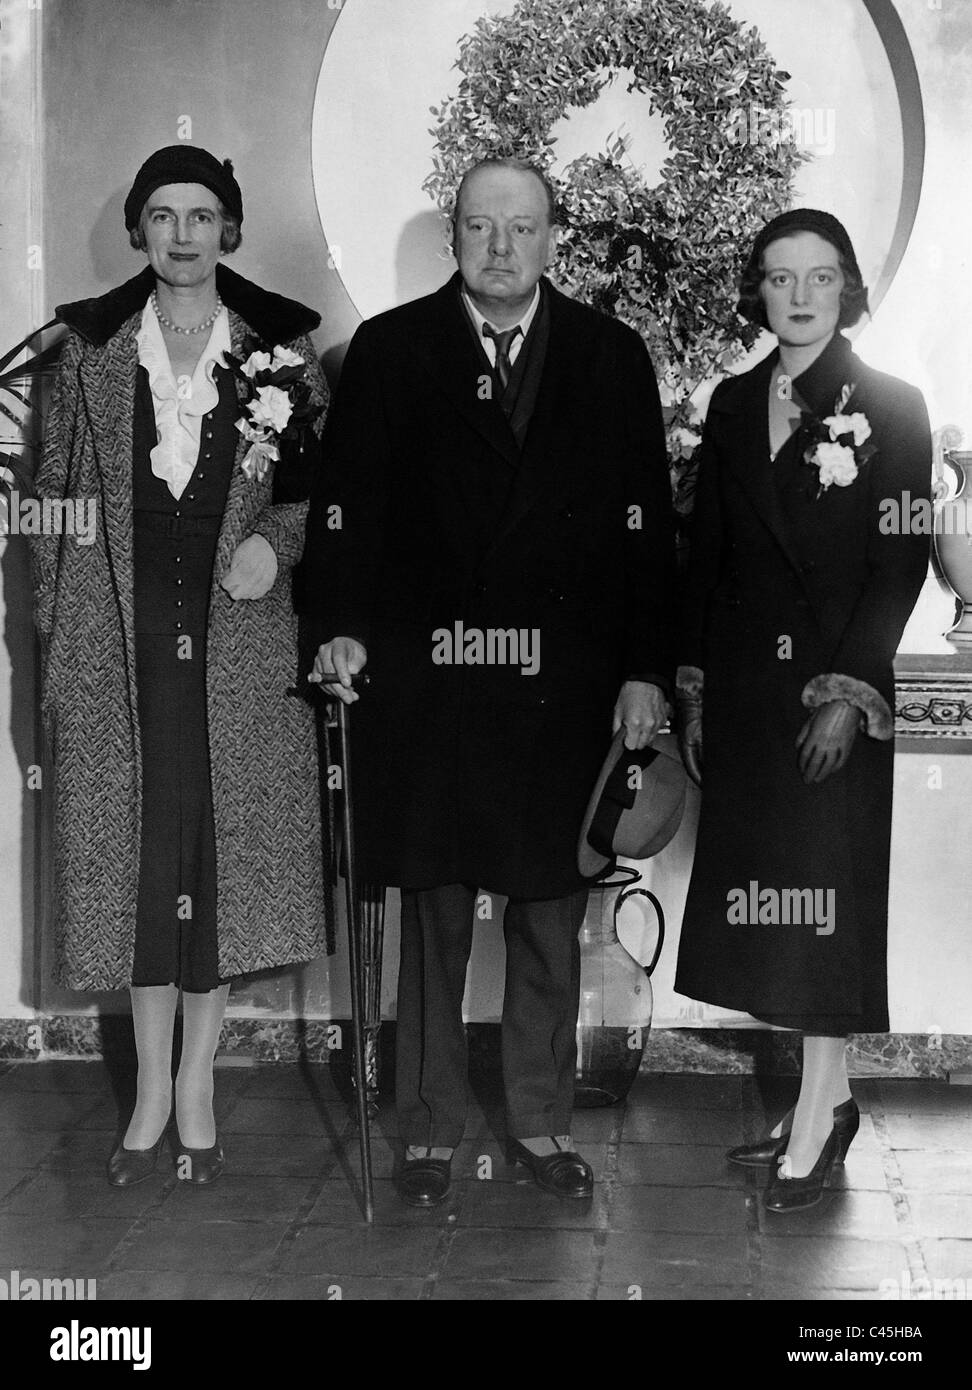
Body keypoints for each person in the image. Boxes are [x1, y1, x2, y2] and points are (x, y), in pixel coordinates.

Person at [302, 158, 676, 1207]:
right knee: (430, 905)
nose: (499, 248)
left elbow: (649, 532)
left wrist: (648, 667)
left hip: (564, 685)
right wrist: (336, 630)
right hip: (430, 684)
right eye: (479, 227)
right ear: (454, 237)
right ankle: (425, 1127)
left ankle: (542, 1123)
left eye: (520, 228)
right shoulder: (389, 352)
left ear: (555, 236)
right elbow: (345, 517)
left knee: (549, 911)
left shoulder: (610, 357)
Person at [31, 145, 330, 1187]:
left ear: (230, 229)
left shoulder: (280, 351)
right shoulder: (89, 352)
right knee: (140, 872)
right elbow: (57, 514)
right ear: (139, 231)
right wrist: (58, 653)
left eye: (203, 214)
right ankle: (149, 1089)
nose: (184, 234)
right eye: (162, 214)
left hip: (237, 659)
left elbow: (311, 501)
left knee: (216, 868)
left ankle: (198, 1079)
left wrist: (274, 545)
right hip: (124, 651)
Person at [674, 209, 931, 1212]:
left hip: (833, 704)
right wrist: (694, 683)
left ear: (848, 288)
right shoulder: (733, 405)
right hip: (746, 698)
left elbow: (896, 567)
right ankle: (823, 1098)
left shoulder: (895, 407)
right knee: (776, 910)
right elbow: (708, 558)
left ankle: (822, 1110)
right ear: (760, 291)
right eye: (779, 278)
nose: (799, 296)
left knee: (825, 907)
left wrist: (850, 691)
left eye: (819, 278)